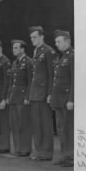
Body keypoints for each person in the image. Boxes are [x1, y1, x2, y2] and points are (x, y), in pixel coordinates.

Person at [28, 26, 55, 161]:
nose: (33, 39)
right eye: (31, 37)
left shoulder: (48, 51)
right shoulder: (36, 51)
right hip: (35, 93)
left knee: (45, 124)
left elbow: (51, 74)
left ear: (42, 37)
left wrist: (50, 93)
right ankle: (38, 150)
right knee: (37, 124)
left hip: (44, 93)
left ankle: (47, 152)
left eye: (35, 37)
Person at [50, 30, 74, 167]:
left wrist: (71, 99)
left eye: (59, 41)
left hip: (66, 99)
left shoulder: (72, 56)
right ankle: (64, 155)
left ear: (67, 41)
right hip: (59, 99)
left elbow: (73, 80)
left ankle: (70, 156)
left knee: (68, 128)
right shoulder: (61, 57)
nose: (56, 44)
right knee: (60, 128)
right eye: (56, 42)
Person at [7, 40, 32, 157]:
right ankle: (18, 148)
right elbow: (11, 82)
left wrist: (27, 97)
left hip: (22, 98)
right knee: (15, 125)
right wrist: (8, 96)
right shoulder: (14, 63)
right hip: (14, 97)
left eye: (16, 48)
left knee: (24, 124)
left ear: (22, 49)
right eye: (13, 48)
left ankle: (25, 148)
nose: (14, 50)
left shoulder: (28, 62)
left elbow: (30, 81)